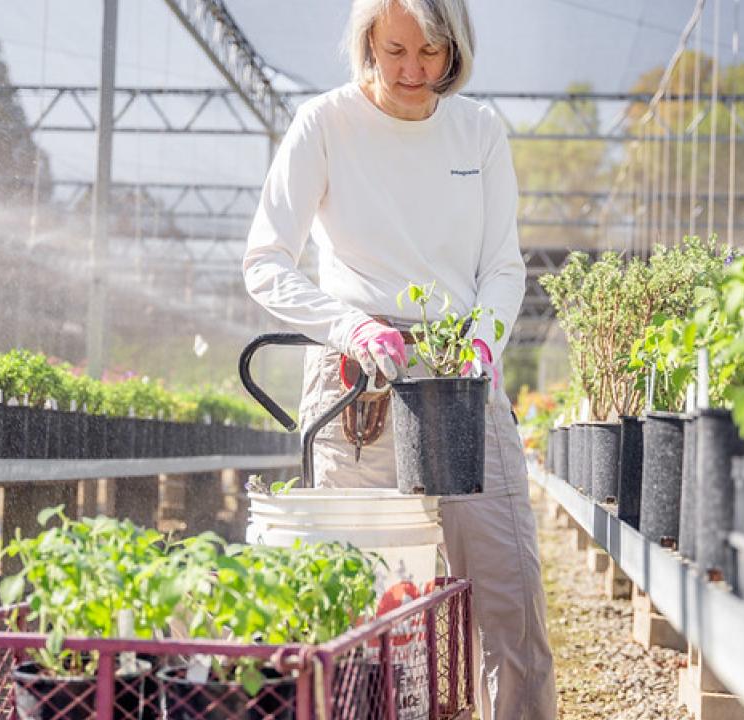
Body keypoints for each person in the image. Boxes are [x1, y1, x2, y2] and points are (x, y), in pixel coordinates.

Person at [241, 0, 556, 717]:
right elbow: (265, 263)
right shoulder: (325, 124)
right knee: (363, 610)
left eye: (432, 52)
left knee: (510, 600)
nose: (413, 71)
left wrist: (484, 338)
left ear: (456, 48)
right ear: (367, 46)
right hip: (361, 389)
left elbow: (504, 267)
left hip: (462, 384)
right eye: (395, 51)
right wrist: (350, 327)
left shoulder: (477, 131)